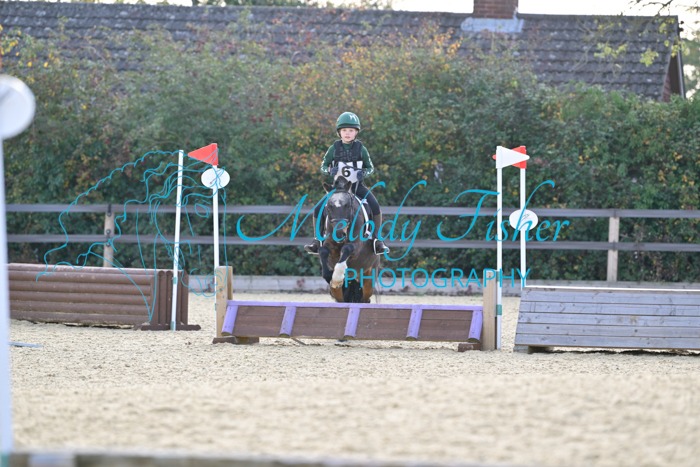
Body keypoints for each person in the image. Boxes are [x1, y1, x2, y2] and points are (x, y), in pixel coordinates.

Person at [304, 112, 390, 256]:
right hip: (337, 189)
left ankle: (377, 240)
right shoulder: (333, 149)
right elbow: (323, 166)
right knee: (318, 208)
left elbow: (370, 168)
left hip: (356, 187)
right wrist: (329, 170)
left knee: (375, 206)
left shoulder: (361, 149)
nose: (347, 133)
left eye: (351, 130)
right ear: (339, 132)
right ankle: (317, 240)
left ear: (356, 132)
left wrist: (364, 173)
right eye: (344, 130)